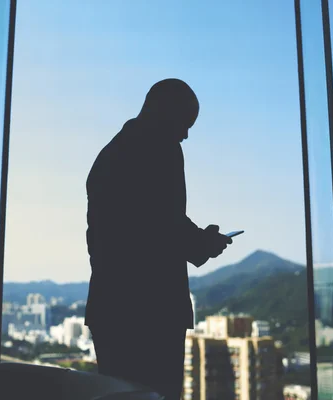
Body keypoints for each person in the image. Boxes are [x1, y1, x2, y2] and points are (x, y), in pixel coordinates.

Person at [85, 78, 232, 399]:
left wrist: (194, 239)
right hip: (151, 311)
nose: (186, 134)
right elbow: (164, 224)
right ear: (166, 112)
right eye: (185, 123)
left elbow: (136, 226)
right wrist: (203, 243)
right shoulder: (161, 147)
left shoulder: (110, 154)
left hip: (110, 307)